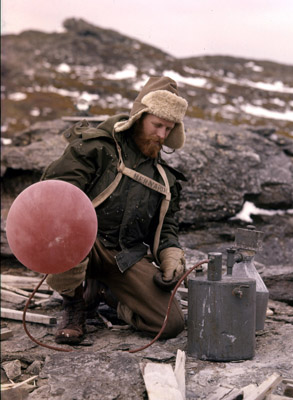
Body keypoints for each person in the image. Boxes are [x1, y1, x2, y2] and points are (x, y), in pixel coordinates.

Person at [42, 76, 189, 345]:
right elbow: (54, 195)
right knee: (69, 227)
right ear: (139, 117)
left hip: (125, 257)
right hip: (85, 244)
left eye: (168, 129)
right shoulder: (95, 149)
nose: (161, 135)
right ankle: (74, 305)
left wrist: (170, 258)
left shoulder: (165, 179)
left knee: (169, 324)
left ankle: (110, 296)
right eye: (157, 125)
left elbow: (166, 229)